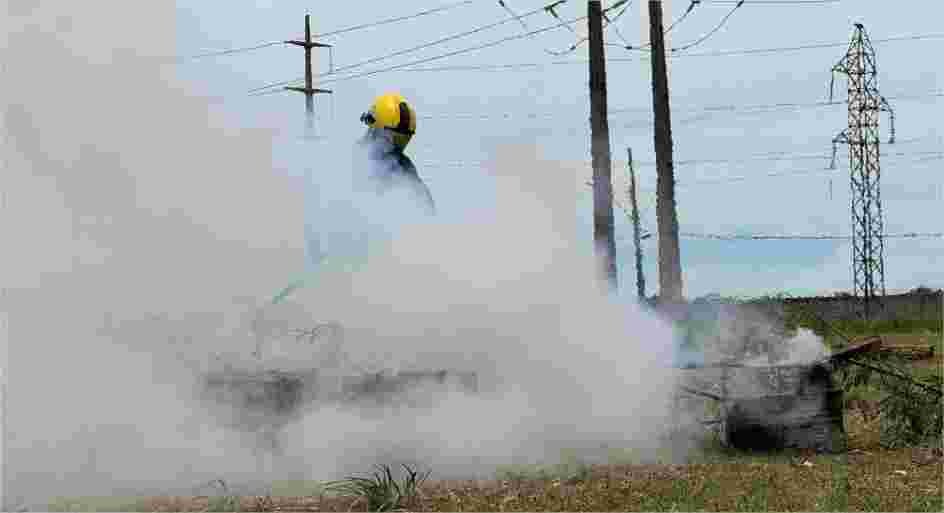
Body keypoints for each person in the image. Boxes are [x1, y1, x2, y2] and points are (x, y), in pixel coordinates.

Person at [358, 92, 436, 215]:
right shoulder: (350, 161)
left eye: (402, 139)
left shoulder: (403, 166)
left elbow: (426, 207)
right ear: (374, 129)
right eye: (391, 137)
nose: (394, 146)